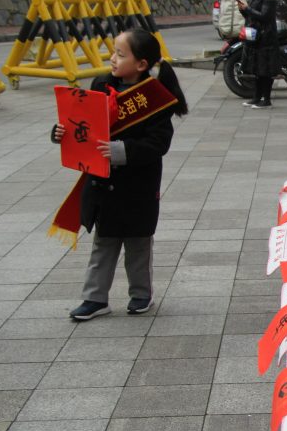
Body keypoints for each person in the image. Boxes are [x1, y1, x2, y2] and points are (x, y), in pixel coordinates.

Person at [52, 28, 188, 320]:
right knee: (104, 243)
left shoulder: (154, 97)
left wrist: (121, 150)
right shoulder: (101, 85)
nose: (112, 58)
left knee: (138, 244)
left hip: (138, 185)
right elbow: (82, 122)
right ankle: (95, 298)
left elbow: (158, 144)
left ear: (141, 64)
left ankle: (141, 294)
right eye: (113, 52)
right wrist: (62, 133)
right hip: (103, 182)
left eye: (120, 54)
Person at [237, 0, 283, 108]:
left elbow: (264, 16)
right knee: (257, 70)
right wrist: (243, 10)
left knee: (265, 71)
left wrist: (247, 9)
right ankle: (256, 97)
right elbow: (251, 16)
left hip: (266, 38)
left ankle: (266, 99)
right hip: (256, 38)